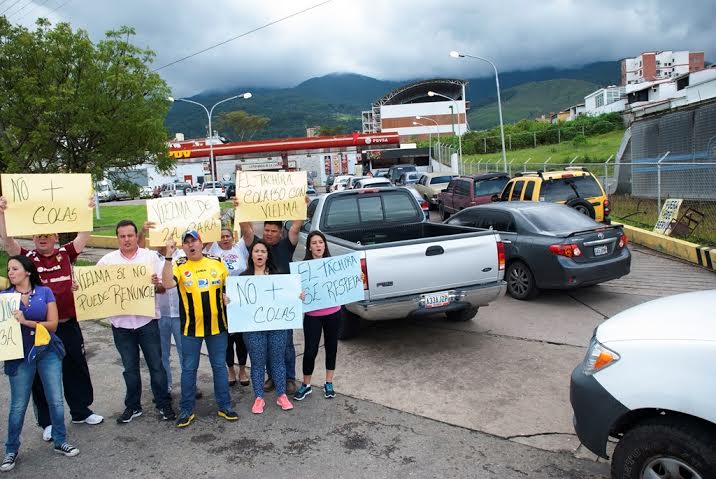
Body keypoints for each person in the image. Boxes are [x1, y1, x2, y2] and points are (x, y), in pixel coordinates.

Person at [0, 196, 103, 444]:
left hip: (68, 324)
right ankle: (46, 422)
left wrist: (87, 209)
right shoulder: (28, 259)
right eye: (37, 235)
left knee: (76, 367)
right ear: (33, 238)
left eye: (47, 234)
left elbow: (83, 236)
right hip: (38, 330)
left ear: (56, 236)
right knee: (40, 376)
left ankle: (80, 412)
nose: (42, 238)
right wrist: (2, 214)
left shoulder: (67, 254)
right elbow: (6, 242)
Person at [1, 255, 79, 472]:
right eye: (9, 270)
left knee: (55, 399)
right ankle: (11, 450)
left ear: (27, 271)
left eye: (15, 268)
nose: (11, 272)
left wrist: (26, 322)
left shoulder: (44, 292)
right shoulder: (4, 297)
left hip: (47, 352)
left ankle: (60, 440)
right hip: (19, 356)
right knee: (18, 404)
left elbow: (53, 325)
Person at [97, 220, 175, 424]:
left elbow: (162, 288)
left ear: (136, 236)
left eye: (130, 235)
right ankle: (133, 406)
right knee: (129, 369)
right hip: (121, 325)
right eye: (122, 236)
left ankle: (163, 403)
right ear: (117, 238)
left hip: (147, 322)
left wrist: (156, 285)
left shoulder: (150, 257)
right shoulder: (107, 261)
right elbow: (95, 288)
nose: (126, 239)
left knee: (156, 366)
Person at [161, 230, 238, 428]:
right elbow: (167, 283)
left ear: (201, 242)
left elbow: (232, 287)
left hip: (217, 327)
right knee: (188, 369)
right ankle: (186, 410)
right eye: (186, 242)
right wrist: (169, 256)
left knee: (219, 367)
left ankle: (225, 405)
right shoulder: (178, 264)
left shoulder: (216, 261)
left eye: (193, 240)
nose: (191, 245)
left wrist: (228, 297)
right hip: (190, 328)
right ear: (183, 247)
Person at [238, 207, 305, 395]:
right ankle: (272, 377)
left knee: (286, 346)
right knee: (265, 346)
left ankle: (289, 378)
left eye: (273, 231)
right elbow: (246, 230)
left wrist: (301, 204)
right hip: (260, 308)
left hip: (283, 307)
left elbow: (296, 227)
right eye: (266, 230)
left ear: (280, 233)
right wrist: (240, 208)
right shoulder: (257, 245)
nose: (269, 233)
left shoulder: (287, 244)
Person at [240, 239, 294, 414]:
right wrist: (229, 301)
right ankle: (259, 398)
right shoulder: (242, 279)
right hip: (253, 329)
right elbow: (238, 304)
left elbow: (288, 298)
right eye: (256, 251)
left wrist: (297, 296)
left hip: (277, 326)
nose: (260, 254)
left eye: (263, 251)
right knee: (257, 363)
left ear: (267, 255)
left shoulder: (278, 277)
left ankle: (281, 395)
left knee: (278, 361)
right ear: (251, 255)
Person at [293, 231, 341, 401]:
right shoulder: (303, 267)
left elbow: (345, 282)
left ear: (325, 245)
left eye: (321, 242)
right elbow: (296, 292)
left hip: (333, 313)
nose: (318, 245)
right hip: (313, 315)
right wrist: (299, 295)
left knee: (331, 348)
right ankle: (306, 385)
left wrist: (357, 278)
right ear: (309, 247)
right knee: (310, 350)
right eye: (314, 243)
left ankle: (329, 383)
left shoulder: (334, 264)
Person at [205, 227, 250, 387]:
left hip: (240, 297)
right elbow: (207, 231)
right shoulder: (213, 250)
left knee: (241, 338)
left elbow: (248, 231)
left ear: (232, 237)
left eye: (227, 236)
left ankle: (243, 369)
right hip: (220, 298)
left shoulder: (240, 248)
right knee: (227, 338)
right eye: (221, 236)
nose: (225, 239)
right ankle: (230, 369)